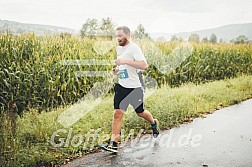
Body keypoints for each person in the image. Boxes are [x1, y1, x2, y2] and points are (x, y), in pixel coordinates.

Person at [104, 26, 159, 153]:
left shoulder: (134, 48)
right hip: (122, 86)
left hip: (135, 88)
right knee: (117, 114)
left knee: (140, 113)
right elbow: (126, 65)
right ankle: (114, 144)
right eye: (116, 36)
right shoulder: (120, 48)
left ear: (128, 35)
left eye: (120, 36)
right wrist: (118, 69)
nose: (117, 38)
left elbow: (144, 65)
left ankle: (153, 122)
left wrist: (124, 61)